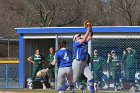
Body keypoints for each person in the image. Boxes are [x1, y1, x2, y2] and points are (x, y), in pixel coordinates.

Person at [72, 21, 95, 93]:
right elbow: (84, 38)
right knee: (73, 80)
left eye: (79, 36)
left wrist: (90, 29)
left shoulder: (83, 42)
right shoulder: (75, 43)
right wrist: (87, 29)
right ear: (75, 39)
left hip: (84, 62)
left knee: (90, 77)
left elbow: (90, 36)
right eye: (78, 36)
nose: (79, 36)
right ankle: (63, 90)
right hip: (77, 62)